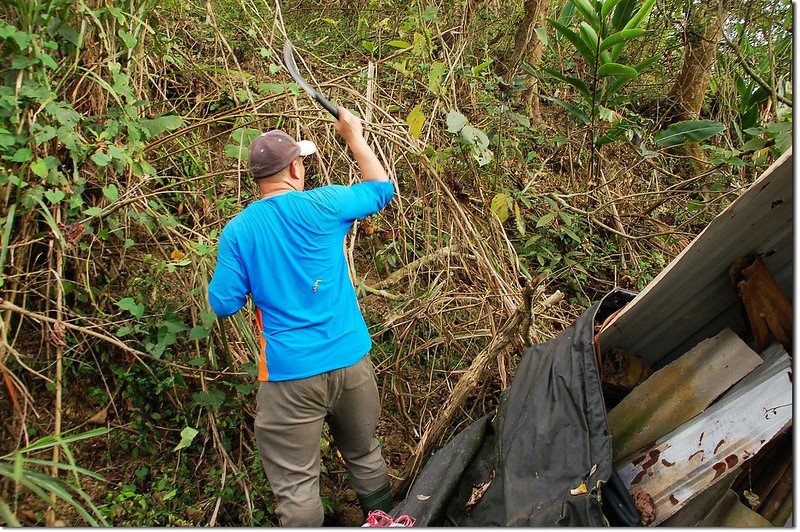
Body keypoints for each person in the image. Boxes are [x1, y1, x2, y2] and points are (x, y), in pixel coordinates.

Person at [207, 106, 395, 526]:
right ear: (294, 168)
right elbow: (382, 189)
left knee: (296, 486)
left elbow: (223, 303)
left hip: (289, 376)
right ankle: (385, 521)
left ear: (259, 178)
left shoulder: (239, 231)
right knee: (365, 454)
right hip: (351, 362)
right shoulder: (326, 204)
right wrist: (355, 137)